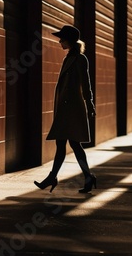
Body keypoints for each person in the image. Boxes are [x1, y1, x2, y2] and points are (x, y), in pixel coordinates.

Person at [34, 25, 97, 193]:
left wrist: (90, 104)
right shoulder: (68, 57)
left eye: (62, 38)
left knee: (72, 144)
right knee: (64, 143)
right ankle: (82, 176)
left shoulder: (80, 59)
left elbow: (86, 83)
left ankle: (57, 177)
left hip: (73, 107)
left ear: (69, 40)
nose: (60, 41)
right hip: (65, 107)